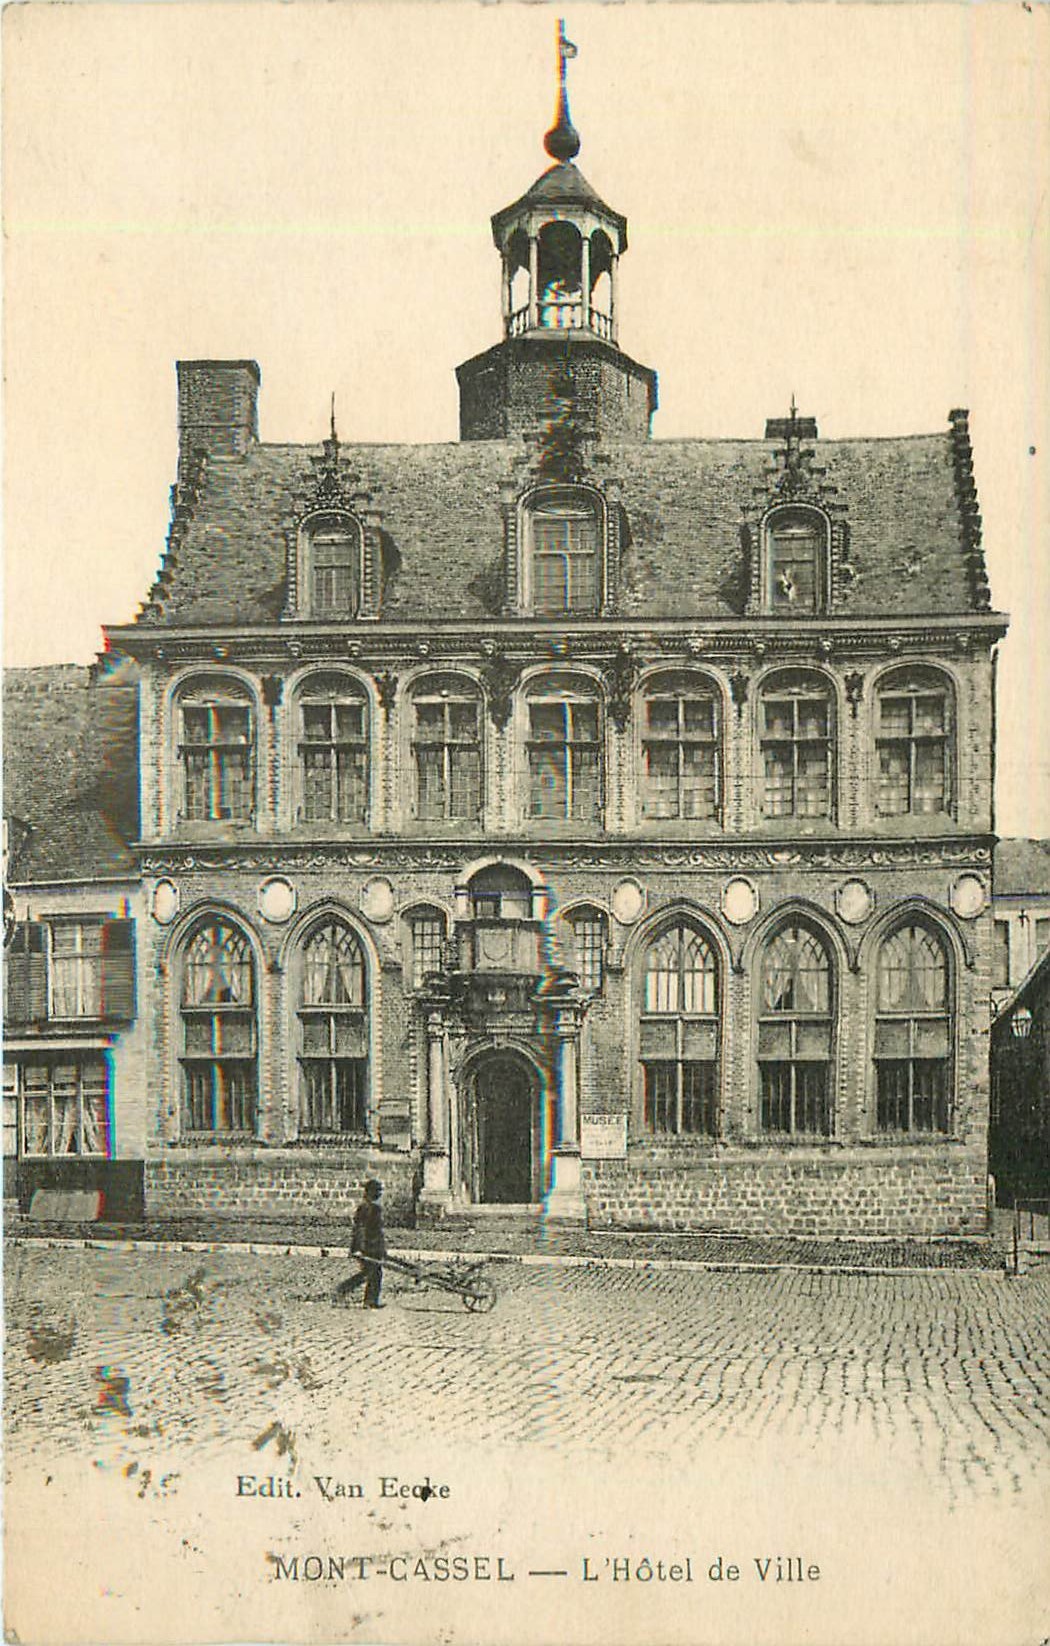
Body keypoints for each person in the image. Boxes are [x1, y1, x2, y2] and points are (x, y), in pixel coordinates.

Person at [335, 1179, 386, 1309]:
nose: (379, 1194)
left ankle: (370, 1300)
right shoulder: (366, 1208)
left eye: (380, 1191)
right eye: (377, 1191)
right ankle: (342, 1290)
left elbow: (377, 1231)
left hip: (374, 1246)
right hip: (367, 1247)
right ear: (370, 1192)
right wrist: (358, 1248)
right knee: (368, 1273)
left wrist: (382, 1250)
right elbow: (360, 1229)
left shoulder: (374, 1208)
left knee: (374, 1273)